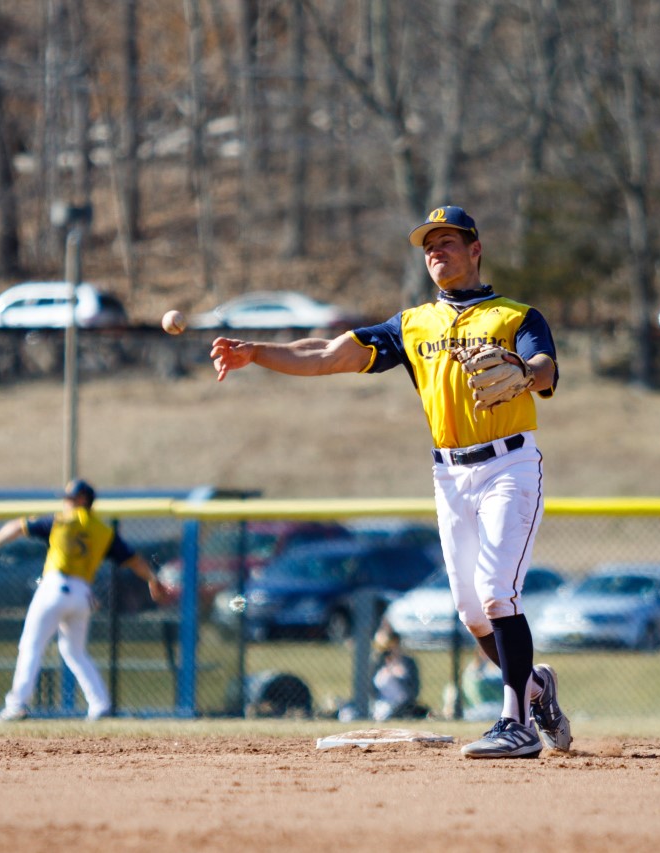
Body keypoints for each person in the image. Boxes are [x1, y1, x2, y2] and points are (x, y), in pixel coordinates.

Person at [211, 205, 572, 758]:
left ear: (475, 250)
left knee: (499, 593)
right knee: (473, 613)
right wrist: (258, 352)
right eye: (429, 245)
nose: (436, 252)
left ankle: (515, 724)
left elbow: (546, 367)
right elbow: (327, 354)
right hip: (450, 474)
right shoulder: (412, 325)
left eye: (448, 242)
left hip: (509, 466)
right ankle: (536, 686)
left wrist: (524, 373)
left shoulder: (515, 316)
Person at [0, 479, 169, 722]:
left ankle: (16, 705)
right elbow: (134, 560)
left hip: (53, 588)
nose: (65, 503)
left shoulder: (60, 521)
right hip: (83, 595)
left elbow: (19, 525)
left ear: (81, 500)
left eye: (69, 499)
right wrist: (152, 579)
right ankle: (100, 706)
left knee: (31, 645)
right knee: (74, 651)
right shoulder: (103, 531)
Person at [368, 621, 427, 722]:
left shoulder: (408, 663)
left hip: (401, 706)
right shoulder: (378, 663)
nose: (389, 652)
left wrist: (400, 677)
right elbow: (369, 690)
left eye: (393, 646)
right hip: (379, 704)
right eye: (386, 648)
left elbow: (413, 692)